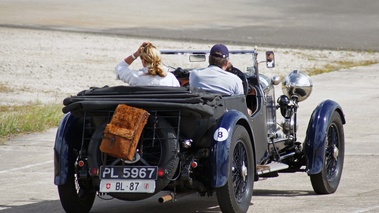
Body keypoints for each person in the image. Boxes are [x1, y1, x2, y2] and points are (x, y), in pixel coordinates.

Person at [115, 42, 180, 87]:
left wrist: (136, 54)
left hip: (143, 107)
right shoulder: (171, 78)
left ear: (143, 61)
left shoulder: (136, 77)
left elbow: (120, 67)